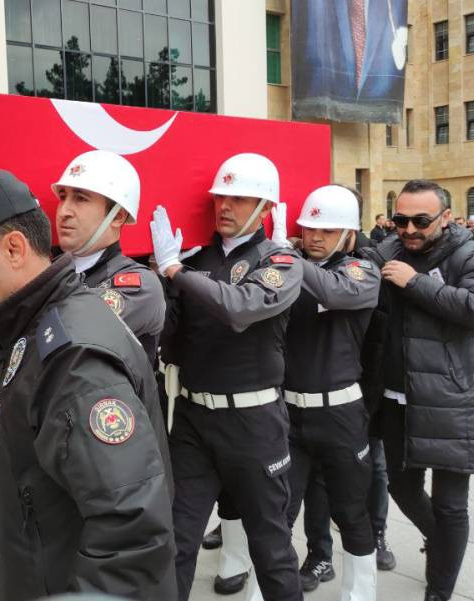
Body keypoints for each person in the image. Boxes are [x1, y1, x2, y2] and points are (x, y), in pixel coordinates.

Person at [0, 169, 176, 599]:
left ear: (14, 248)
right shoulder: (37, 325)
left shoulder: (76, 362)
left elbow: (132, 533)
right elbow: (16, 386)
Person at [153, 153, 304, 601]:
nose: (225, 206)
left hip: (254, 423)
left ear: (266, 208)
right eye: (221, 196)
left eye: (239, 199)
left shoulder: (280, 260)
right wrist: (163, 280)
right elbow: (169, 332)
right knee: (174, 542)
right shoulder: (195, 259)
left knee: (271, 547)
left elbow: (241, 309)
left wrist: (174, 271)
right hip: (195, 420)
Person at [362, 179, 474, 601]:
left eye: (420, 221)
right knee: (401, 487)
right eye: (400, 219)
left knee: (450, 505)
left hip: (453, 400)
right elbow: (354, 262)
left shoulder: (473, 253)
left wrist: (415, 282)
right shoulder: (388, 250)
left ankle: (438, 590)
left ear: (446, 218)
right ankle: (441, 544)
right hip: (396, 399)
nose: (408, 229)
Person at [283, 185, 380, 601]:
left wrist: (286, 257)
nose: (315, 237)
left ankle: (359, 594)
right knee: (277, 514)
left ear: (349, 236)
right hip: (289, 414)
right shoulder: (290, 265)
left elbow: (336, 291)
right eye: (308, 228)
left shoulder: (362, 270)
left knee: (351, 512)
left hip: (340, 413)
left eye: (327, 229)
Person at [52, 150, 166, 364]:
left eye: (80, 198)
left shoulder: (141, 285)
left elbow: (63, 335)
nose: (63, 211)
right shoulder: (49, 269)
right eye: (62, 197)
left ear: (118, 216)